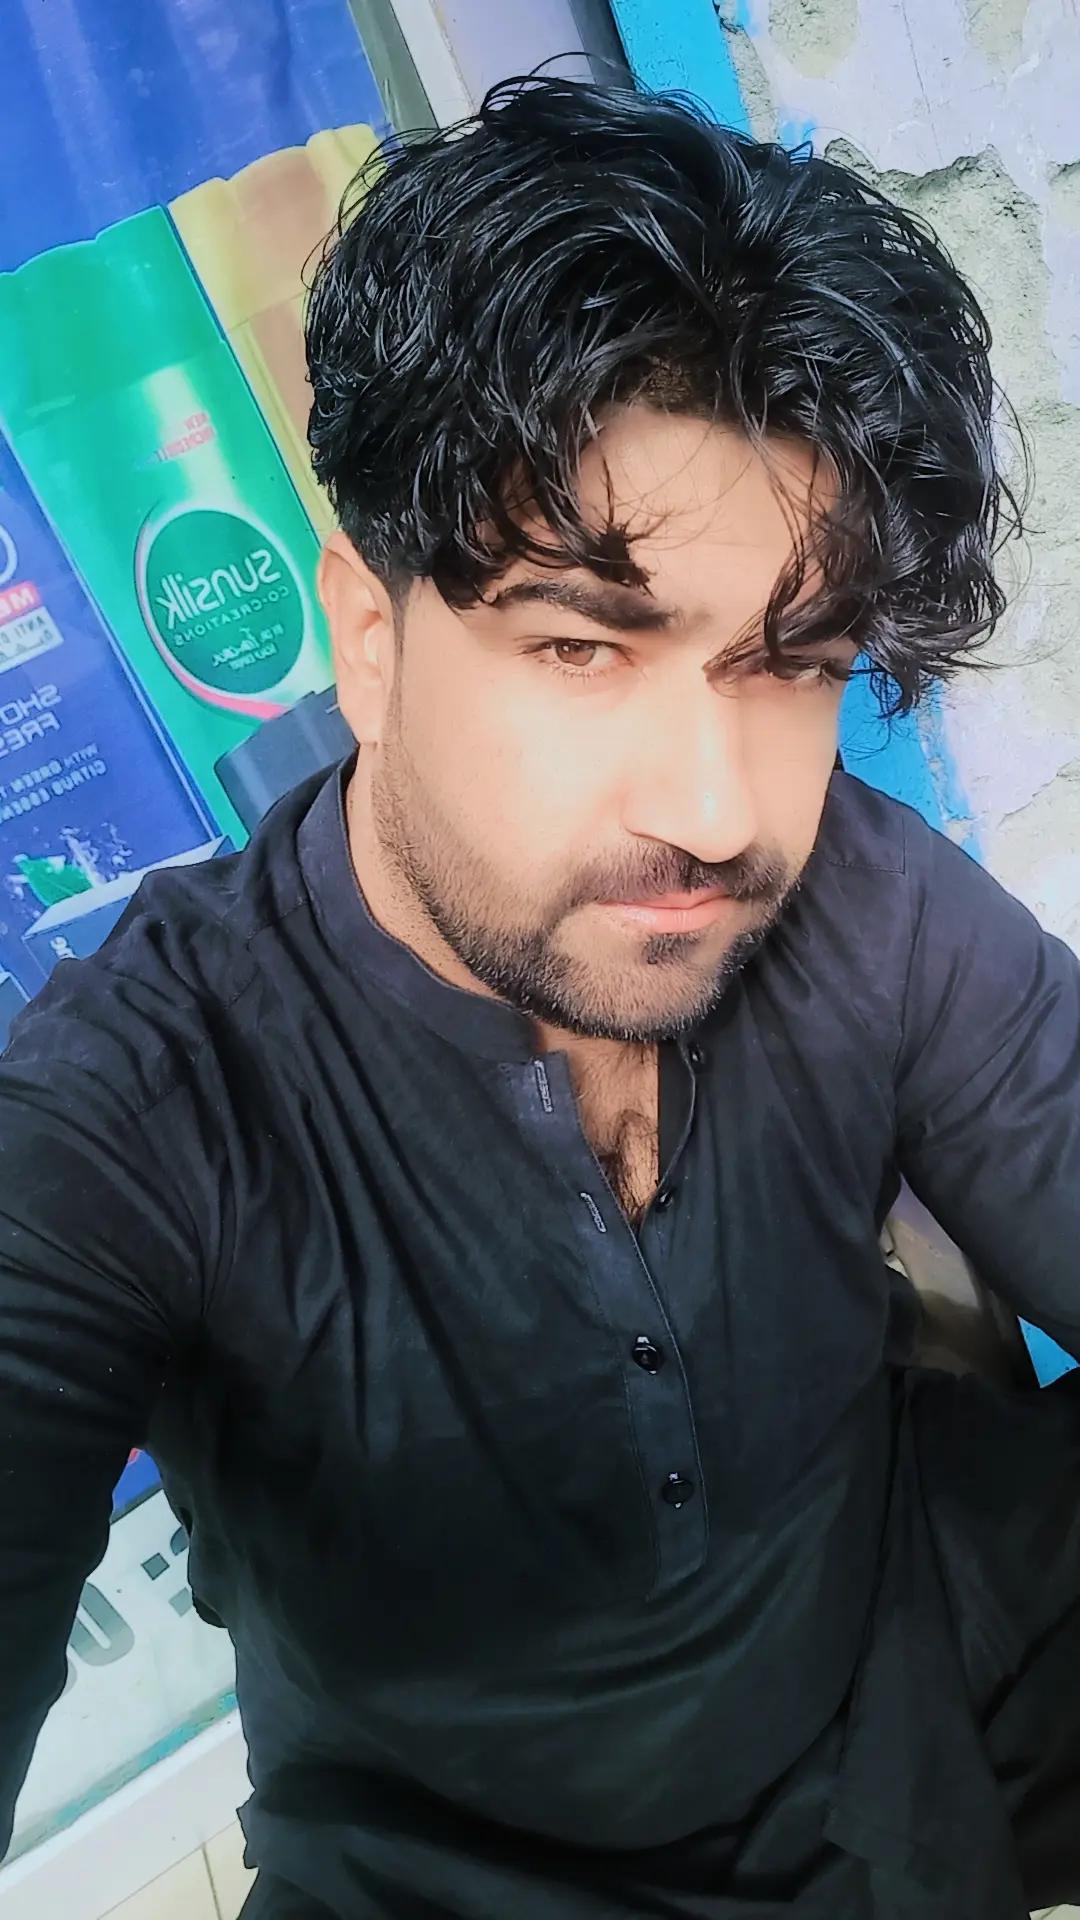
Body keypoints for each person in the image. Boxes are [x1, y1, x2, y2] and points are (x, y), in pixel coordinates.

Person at [1, 72, 1078, 1920]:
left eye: (791, 663)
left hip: (914, 1647)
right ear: (369, 641)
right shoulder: (141, 1107)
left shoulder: (862, 897)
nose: (719, 811)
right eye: (585, 645)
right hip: (457, 1860)